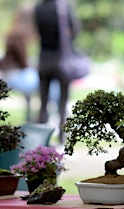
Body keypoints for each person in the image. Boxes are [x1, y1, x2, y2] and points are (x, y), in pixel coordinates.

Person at [34, 0, 80, 144]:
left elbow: (38, 30)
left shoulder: (38, 8)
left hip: (43, 59)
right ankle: (62, 139)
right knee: (62, 103)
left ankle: (40, 142)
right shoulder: (64, 6)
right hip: (62, 60)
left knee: (43, 103)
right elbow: (75, 30)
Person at [0, 4, 40, 121]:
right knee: (50, 84)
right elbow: (24, 63)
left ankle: (33, 118)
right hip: (13, 75)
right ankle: (43, 118)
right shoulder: (20, 35)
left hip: (11, 73)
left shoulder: (14, 32)